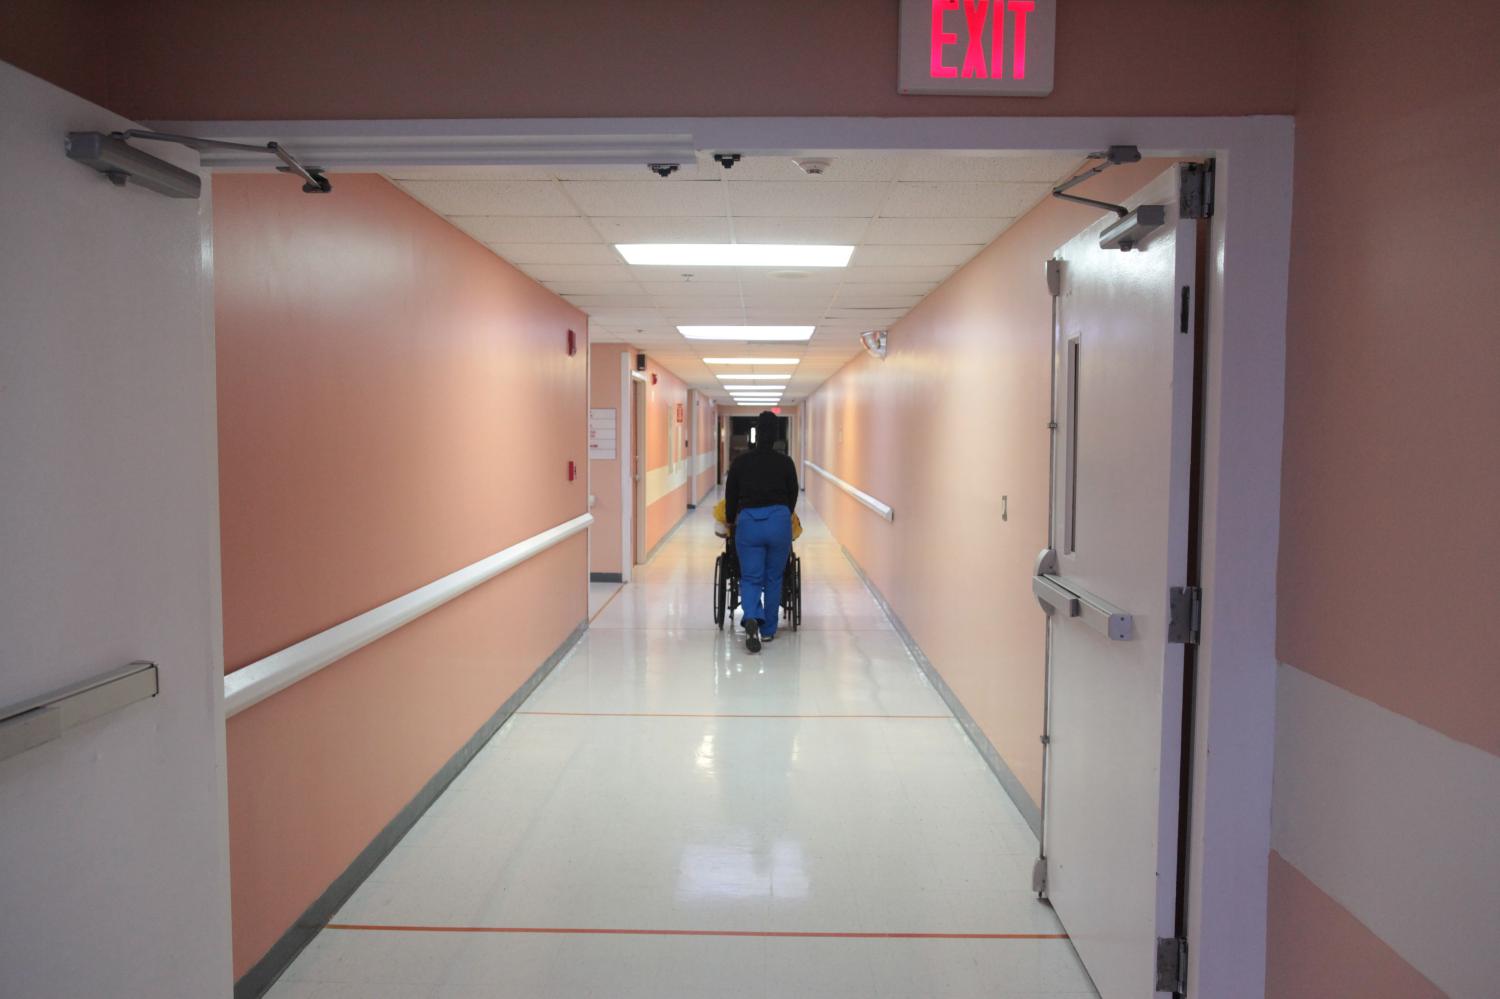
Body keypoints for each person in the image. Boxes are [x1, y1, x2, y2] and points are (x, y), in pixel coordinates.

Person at [724, 410, 799, 653]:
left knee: (751, 576)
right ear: (776, 435)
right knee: (774, 577)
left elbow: (731, 495)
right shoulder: (785, 462)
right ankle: (768, 631)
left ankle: (752, 617)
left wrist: (730, 520)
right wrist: (782, 513)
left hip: (749, 523)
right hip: (778, 522)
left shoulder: (741, 462)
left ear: (755, 435)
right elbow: (793, 494)